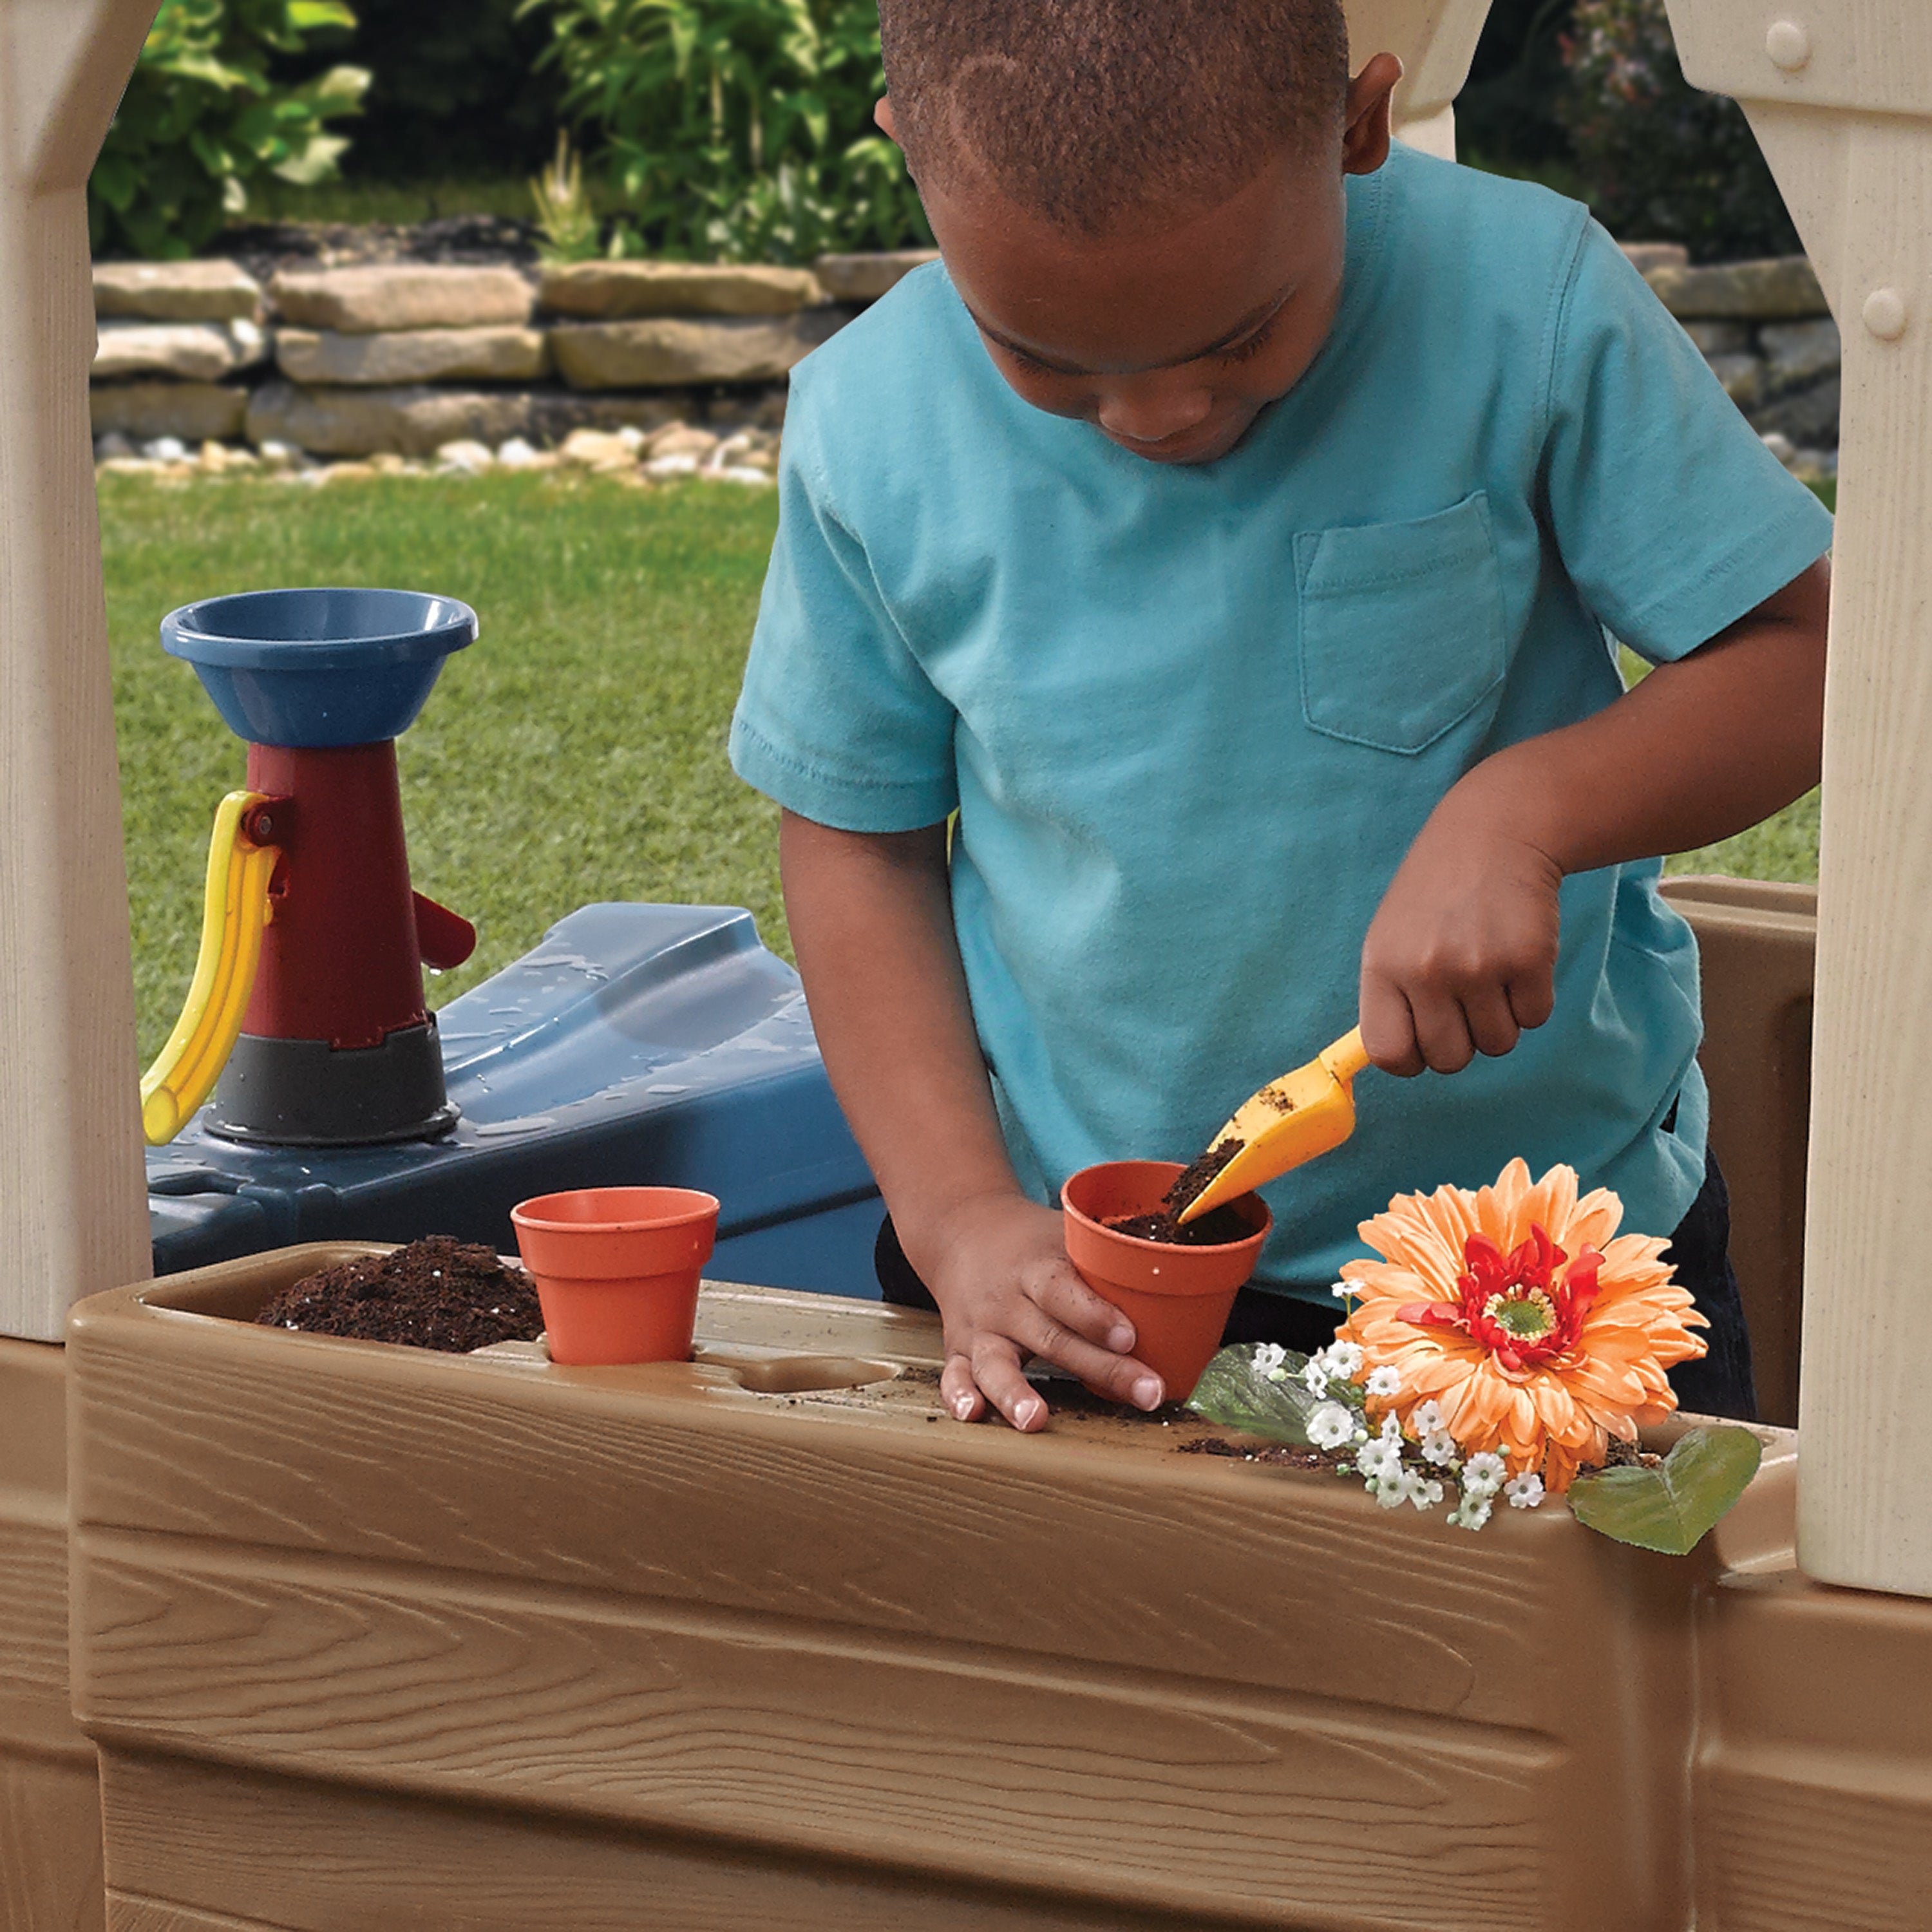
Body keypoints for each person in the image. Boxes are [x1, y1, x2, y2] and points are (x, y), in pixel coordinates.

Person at [728, 0, 1832, 1434]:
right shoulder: (867, 428)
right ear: (909, 163)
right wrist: (955, 1217)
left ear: (1359, 127)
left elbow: (1804, 653)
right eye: (1049, 363)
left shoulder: (1527, 299)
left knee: (1588, 1659)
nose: (1157, 415)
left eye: (1240, 339)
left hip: (1545, 1271)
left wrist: (1527, 814)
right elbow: (855, 843)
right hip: (1077, 1281)